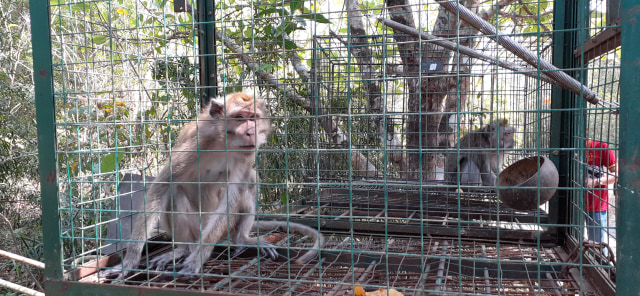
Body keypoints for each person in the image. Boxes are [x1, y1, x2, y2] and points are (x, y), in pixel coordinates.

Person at [584, 138, 617, 256]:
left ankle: (600, 267)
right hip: (574, 202)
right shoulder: (571, 147)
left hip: (596, 204)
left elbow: (616, 173)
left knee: (597, 245)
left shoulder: (601, 146)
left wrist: (597, 181)